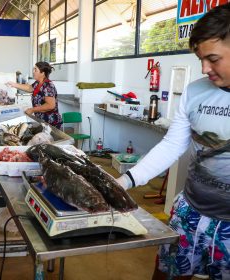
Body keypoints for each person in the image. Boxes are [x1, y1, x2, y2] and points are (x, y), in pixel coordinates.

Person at [116, 4, 230, 280]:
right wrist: (124, 182)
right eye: (200, 58)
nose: (204, 68)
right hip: (190, 209)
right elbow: (173, 145)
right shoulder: (195, 92)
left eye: (213, 59)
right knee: (167, 274)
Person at [7, 62, 63, 129]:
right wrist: (14, 84)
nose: (33, 72)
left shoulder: (48, 86)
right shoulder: (38, 83)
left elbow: (50, 105)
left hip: (50, 123)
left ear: (42, 73)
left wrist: (32, 110)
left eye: (35, 70)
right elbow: (29, 88)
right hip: (42, 121)